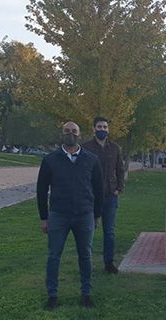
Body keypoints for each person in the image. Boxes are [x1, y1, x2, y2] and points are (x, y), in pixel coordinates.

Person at [36, 121, 103, 310]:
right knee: (53, 256)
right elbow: (41, 190)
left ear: (80, 135)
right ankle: (52, 295)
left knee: (86, 256)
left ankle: (86, 294)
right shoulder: (50, 160)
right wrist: (43, 217)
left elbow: (99, 189)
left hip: (84, 215)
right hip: (58, 215)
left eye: (74, 131)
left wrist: (96, 215)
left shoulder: (91, 160)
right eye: (67, 131)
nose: (70, 134)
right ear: (61, 134)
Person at [82, 116, 125, 274]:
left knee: (109, 232)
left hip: (110, 196)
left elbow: (120, 169)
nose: (102, 130)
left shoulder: (115, 148)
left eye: (105, 127)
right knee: (89, 230)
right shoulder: (85, 147)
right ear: (94, 129)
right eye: (99, 127)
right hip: (91, 196)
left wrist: (119, 188)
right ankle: (87, 263)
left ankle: (109, 263)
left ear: (108, 129)